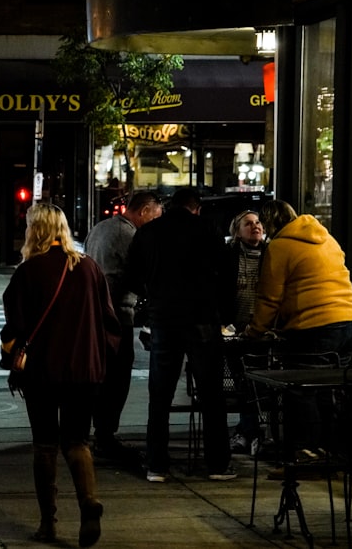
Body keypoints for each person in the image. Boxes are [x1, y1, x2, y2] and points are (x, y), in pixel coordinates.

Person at [1, 203, 120, 547]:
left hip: (42, 372)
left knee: (44, 445)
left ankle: (47, 523)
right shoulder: (89, 268)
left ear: (34, 230)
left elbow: (16, 327)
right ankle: (87, 503)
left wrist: (11, 359)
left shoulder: (28, 272)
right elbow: (110, 324)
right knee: (77, 441)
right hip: (85, 371)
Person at [126, 188, 237, 483]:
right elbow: (228, 274)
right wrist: (225, 316)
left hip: (164, 318)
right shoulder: (207, 230)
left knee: (160, 395)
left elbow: (132, 275)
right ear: (196, 208)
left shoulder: (150, 233)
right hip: (202, 319)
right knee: (211, 395)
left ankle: (157, 465)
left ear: (170, 205)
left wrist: (152, 293)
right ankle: (217, 464)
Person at [242, 199, 352, 463]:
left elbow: (269, 298)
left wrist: (254, 331)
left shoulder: (280, 246)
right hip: (349, 323)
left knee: (302, 390)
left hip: (313, 327)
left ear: (271, 222)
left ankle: (306, 453)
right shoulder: (326, 238)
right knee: (330, 389)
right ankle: (330, 451)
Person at [83, 190, 162, 461]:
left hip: (94, 313)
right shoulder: (130, 235)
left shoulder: (100, 228)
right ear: (144, 211)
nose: (156, 224)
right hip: (116, 313)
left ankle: (94, 432)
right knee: (117, 377)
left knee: (99, 375)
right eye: (155, 216)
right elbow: (137, 274)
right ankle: (105, 435)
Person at [220, 210, 266, 454]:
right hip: (235, 331)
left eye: (257, 222)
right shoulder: (229, 256)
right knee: (243, 383)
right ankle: (251, 432)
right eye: (248, 224)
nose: (255, 227)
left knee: (257, 385)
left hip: (264, 331)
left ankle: (247, 432)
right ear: (236, 231)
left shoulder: (271, 255)